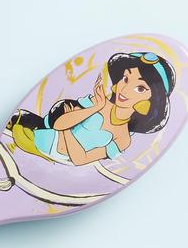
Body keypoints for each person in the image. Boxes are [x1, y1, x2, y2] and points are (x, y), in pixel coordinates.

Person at [9, 51, 175, 166]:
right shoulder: (96, 102)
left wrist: (68, 131)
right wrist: (96, 107)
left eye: (140, 88)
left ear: (152, 100)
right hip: (43, 139)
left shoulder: (123, 139)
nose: (124, 90)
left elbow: (80, 159)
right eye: (125, 79)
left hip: (57, 161)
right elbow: (58, 124)